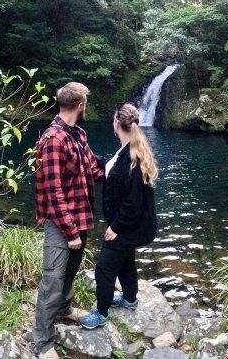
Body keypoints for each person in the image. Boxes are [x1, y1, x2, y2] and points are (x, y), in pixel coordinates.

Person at [32, 82, 104, 359]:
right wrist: (71, 232)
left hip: (81, 217)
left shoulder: (78, 134)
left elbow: (93, 169)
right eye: (87, 100)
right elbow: (54, 191)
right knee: (52, 280)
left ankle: (64, 308)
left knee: (70, 271)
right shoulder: (53, 140)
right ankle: (42, 342)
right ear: (81, 104)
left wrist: (126, 167)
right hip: (61, 223)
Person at [79, 102, 158, 330]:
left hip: (130, 226)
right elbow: (109, 166)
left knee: (104, 267)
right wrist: (87, 153)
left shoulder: (133, 160)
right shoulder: (128, 150)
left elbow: (133, 204)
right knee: (126, 259)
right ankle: (130, 299)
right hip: (135, 226)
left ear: (116, 123)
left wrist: (115, 227)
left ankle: (101, 312)